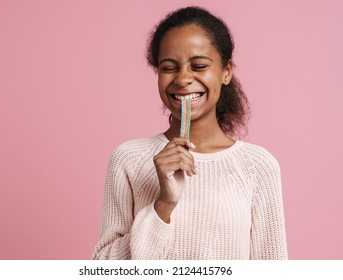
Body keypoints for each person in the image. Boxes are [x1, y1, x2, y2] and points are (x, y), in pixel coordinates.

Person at [92, 6, 287, 260]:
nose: (183, 79)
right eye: (169, 67)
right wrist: (163, 205)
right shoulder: (128, 159)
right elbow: (102, 268)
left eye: (199, 65)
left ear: (226, 71)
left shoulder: (258, 167)